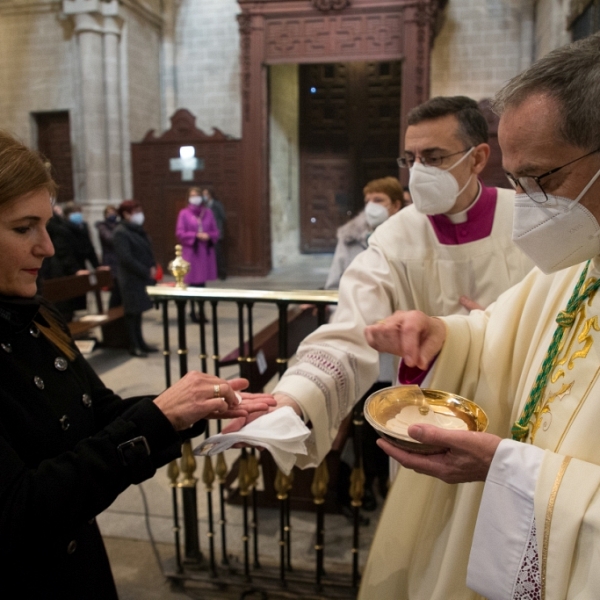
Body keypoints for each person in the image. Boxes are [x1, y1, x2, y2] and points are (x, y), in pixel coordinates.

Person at [360, 32, 600, 599]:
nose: (528, 203)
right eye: (516, 183)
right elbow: (500, 330)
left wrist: (514, 473)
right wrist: (444, 334)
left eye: (542, 180)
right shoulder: (583, 260)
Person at [0, 130, 276, 599]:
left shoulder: (37, 316)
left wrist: (187, 409)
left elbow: (100, 413)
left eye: (46, 225)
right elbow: (20, 510)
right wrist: (160, 417)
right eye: (24, 228)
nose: (46, 247)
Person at [261, 95, 533, 471]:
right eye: (410, 159)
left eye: (433, 157)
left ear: (478, 158)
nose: (417, 171)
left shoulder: (527, 218)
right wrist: (292, 398)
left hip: (518, 413)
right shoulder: (395, 236)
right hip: (423, 426)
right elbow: (352, 329)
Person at [325, 176, 404, 510]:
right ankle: (361, 489)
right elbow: (333, 288)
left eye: (381, 200)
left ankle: (388, 487)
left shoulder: (411, 240)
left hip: (397, 356)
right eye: (369, 199)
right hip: (360, 349)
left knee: (392, 426)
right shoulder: (350, 238)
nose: (373, 206)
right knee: (361, 426)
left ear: (397, 205)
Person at [113, 200, 157, 357]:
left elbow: (146, 250)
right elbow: (126, 258)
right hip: (130, 278)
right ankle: (134, 345)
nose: (139, 215)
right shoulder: (121, 232)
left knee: (138, 312)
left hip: (141, 277)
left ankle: (141, 343)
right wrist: (145, 271)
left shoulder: (138, 230)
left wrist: (152, 266)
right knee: (131, 313)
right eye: (135, 211)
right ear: (125, 214)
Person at [176, 187, 219, 323]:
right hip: (191, 252)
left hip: (204, 253)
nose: (195, 198)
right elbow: (180, 233)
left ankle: (202, 310)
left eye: (197, 195)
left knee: (202, 284)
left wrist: (209, 235)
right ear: (188, 197)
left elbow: (215, 231)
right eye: (192, 195)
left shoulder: (208, 213)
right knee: (193, 283)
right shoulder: (184, 213)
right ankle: (192, 310)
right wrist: (195, 235)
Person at [95, 205, 121, 308]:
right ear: (105, 215)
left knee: (119, 290)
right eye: (109, 213)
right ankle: (113, 310)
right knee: (115, 289)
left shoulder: (119, 225)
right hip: (110, 261)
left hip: (119, 261)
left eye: (113, 212)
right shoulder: (103, 226)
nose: (112, 214)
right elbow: (110, 239)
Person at [203, 187, 227, 280]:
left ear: (210, 195)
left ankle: (222, 273)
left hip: (216, 233)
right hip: (206, 234)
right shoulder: (204, 206)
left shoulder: (216, 204)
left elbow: (223, 216)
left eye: (206, 194)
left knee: (218, 254)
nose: (204, 196)